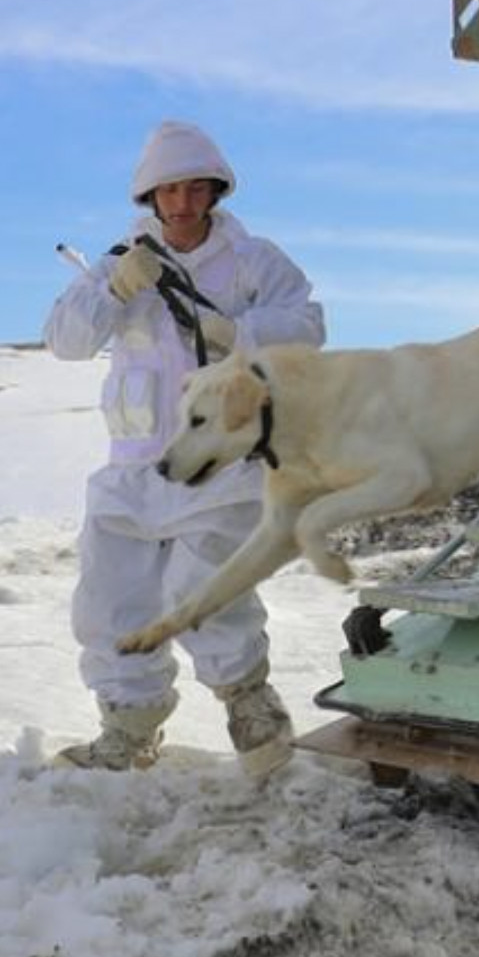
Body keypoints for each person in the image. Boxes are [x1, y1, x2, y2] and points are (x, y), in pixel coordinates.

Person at [44, 120, 326, 776]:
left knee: (205, 592)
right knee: (113, 599)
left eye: (195, 188)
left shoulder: (254, 261)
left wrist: (240, 334)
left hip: (220, 462)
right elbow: (65, 341)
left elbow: (308, 325)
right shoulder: (120, 262)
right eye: (169, 190)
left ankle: (252, 713)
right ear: (150, 196)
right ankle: (127, 728)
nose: (182, 203)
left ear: (214, 191)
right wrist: (114, 290)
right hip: (133, 466)